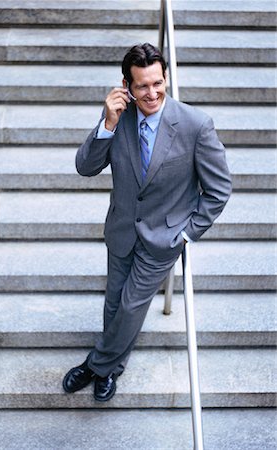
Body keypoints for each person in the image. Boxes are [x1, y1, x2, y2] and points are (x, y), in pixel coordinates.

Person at [62, 43, 232, 402]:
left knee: (131, 305)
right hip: (122, 229)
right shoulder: (118, 117)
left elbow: (218, 190)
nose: (152, 93)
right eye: (142, 86)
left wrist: (186, 234)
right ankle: (112, 366)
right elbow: (85, 167)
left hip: (164, 237)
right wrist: (107, 123)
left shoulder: (195, 125)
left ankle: (97, 365)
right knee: (113, 302)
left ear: (166, 78)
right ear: (127, 85)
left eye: (157, 83)